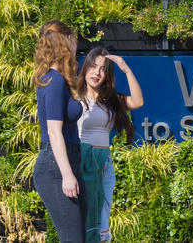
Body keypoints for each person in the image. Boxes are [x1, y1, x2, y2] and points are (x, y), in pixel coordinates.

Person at [76, 46, 143, 242]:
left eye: (103, 69)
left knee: (103, 224)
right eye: (93, 66)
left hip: (104, 164)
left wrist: (126, 69)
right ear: (85, 67)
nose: (97, 72)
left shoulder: (110, 100)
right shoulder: (74, 97)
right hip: (81, 163)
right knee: (84, 221)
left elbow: (138, 101)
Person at [31, 20, 86, 243]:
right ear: (65, 42)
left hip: (68, 160)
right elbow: (54, 132)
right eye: (73, 39)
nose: (76, 44)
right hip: (55, 168)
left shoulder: (61, 80)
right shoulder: (53, 82)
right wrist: (67, 175)